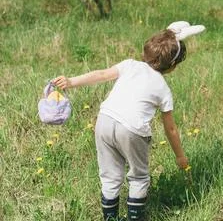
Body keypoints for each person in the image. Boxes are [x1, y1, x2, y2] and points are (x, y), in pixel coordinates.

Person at [52, 22, 205, 221]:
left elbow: (100, 75)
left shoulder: (129, 65)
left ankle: (110, 218)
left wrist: (72, 81)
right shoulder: (163, 88)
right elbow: (171, 129)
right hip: (132, 129)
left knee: (110, 175)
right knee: (139, 177)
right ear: (173, 66)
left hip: (104, 121)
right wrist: (180, 156)